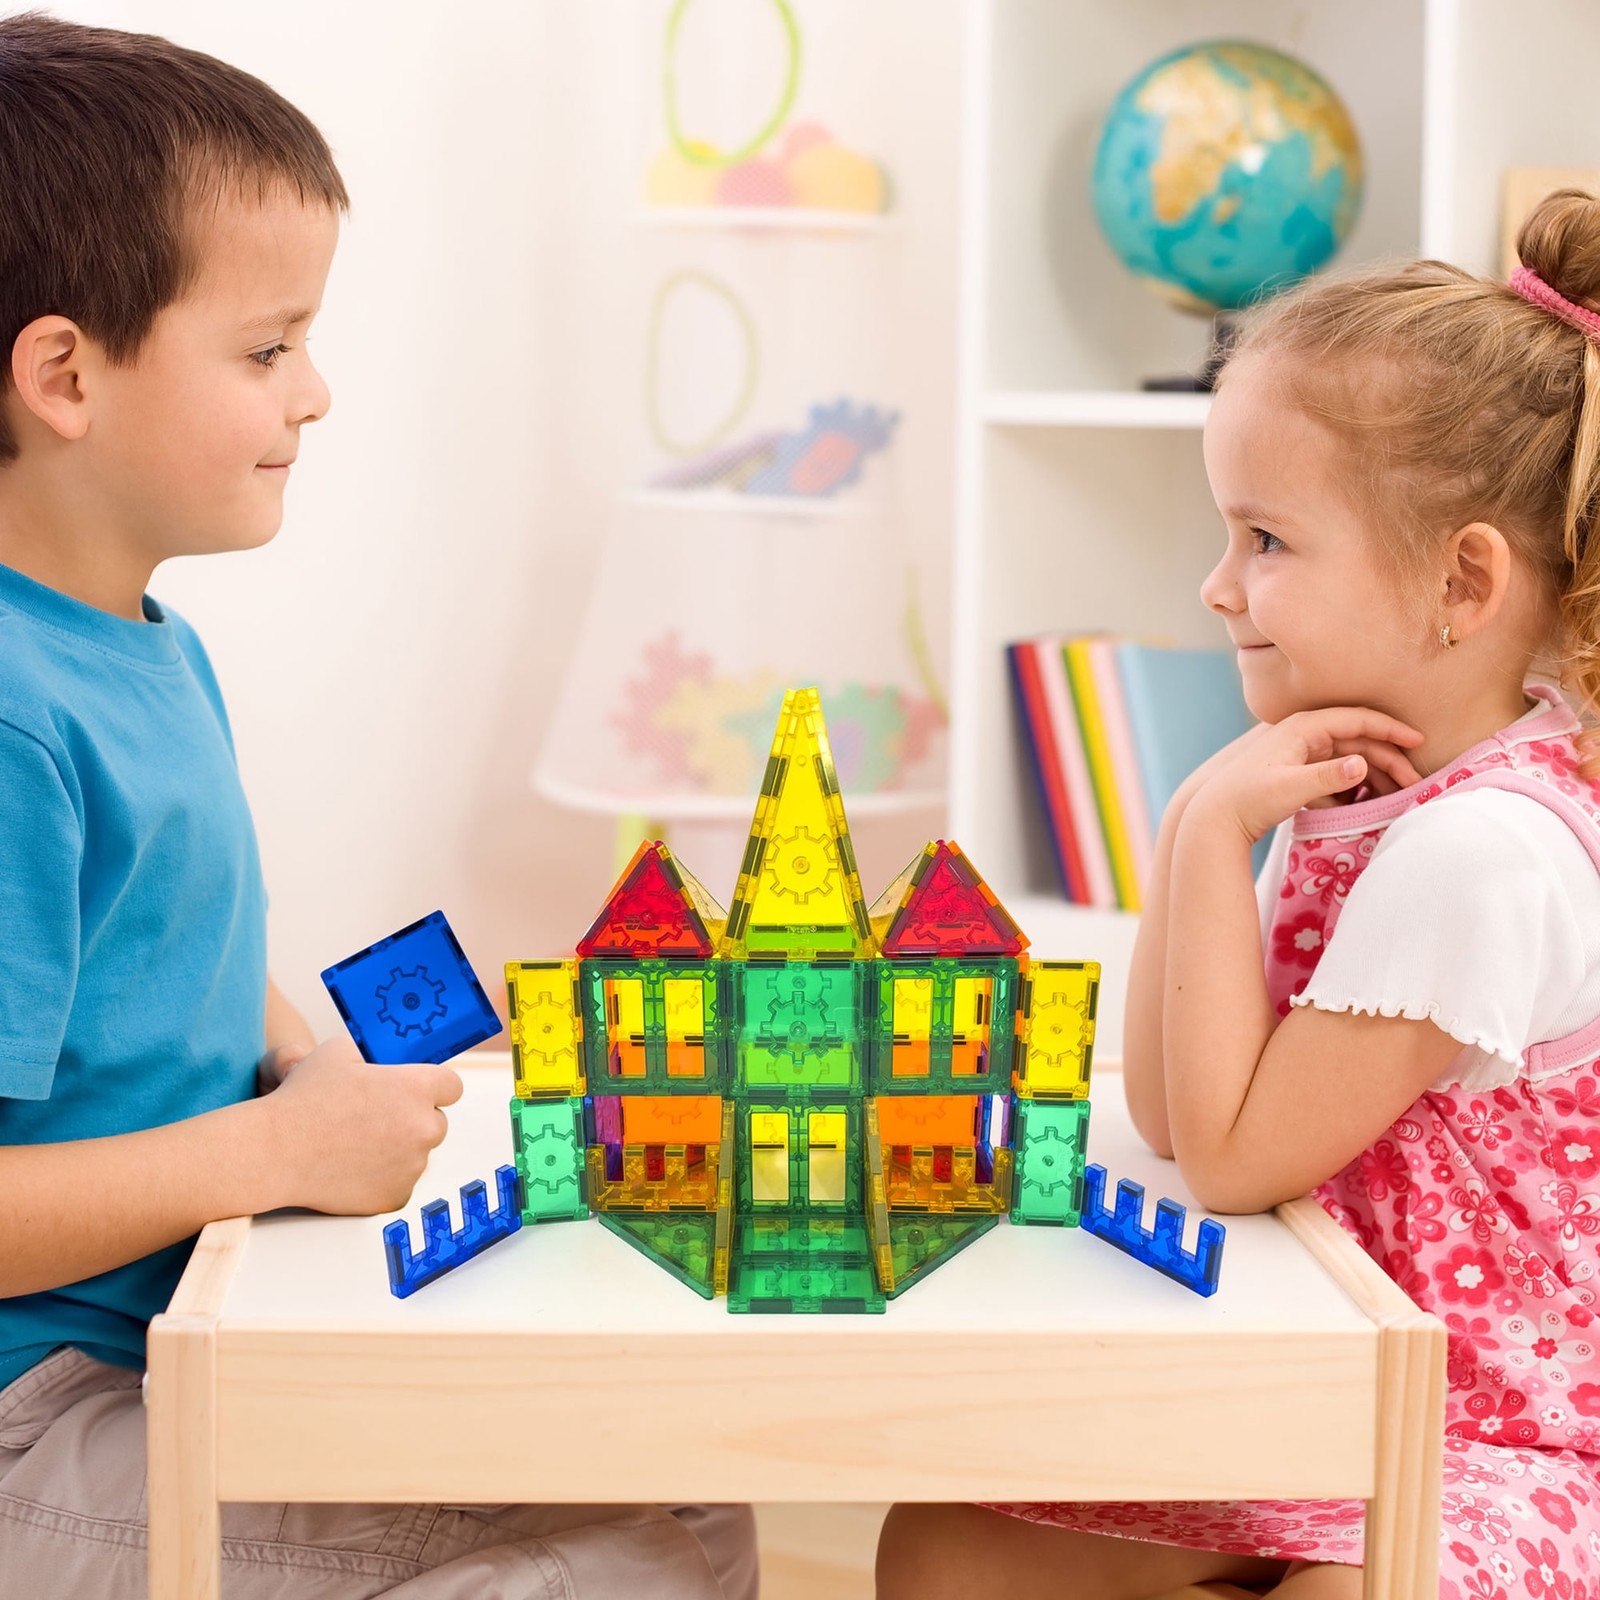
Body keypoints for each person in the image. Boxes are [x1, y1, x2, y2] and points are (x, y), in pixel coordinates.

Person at [0, 15, 755, 1598]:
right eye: (268, 350)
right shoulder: (14, 714)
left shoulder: (141, 644)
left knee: (692, 1462)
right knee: (637, 1565)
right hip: (40, 1420)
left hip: (177, 1328)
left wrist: (308, 1065)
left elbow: (165, 964)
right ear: (65, 376)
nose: (318, 392)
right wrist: (272, 1147)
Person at [878, 189, 1600, 1600]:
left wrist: (1210, 832)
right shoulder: (1358, 789)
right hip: (1335, 1398)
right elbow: (1173, 1108)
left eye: (1265, 540)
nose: (1217, 588)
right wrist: (1199, 826)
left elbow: (1226, 1161)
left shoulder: (1482, 852)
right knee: (947, 1546)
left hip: (1505, 1446)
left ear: (1462, 581)